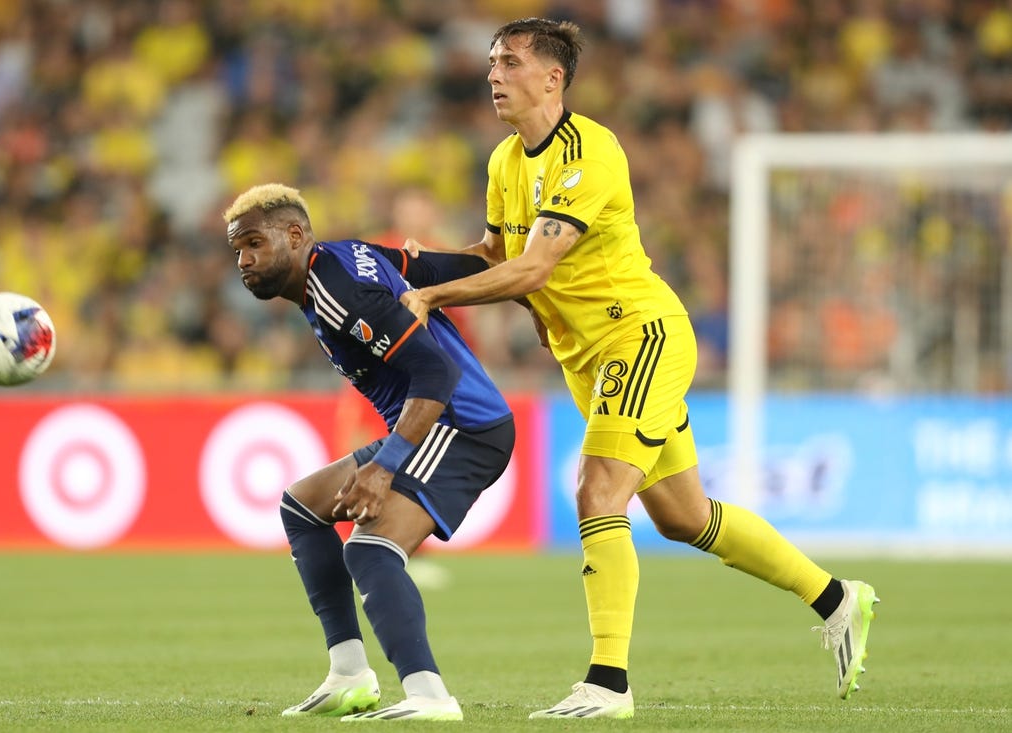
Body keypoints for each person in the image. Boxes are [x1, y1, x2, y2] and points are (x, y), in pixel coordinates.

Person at [400, 17, 879, 720]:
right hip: (587, 359)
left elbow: (533, 267)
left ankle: (607, 681)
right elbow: (498, 253)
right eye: (492, 62)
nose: (493, 74)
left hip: (640, 337)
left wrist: (431, 295)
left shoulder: (590, 151)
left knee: (597, 491)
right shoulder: (506, 161)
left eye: (508, 61)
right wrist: (416, 263)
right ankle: (838, 597)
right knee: (686, 517)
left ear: (552, 77)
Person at [224, 183, 515, 722]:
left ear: (295, 235)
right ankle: (350, 674)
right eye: (237, 250)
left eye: (254, 245)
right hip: (434, 421)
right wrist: (518, 284)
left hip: (461, 424)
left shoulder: (338, 288)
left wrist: (384, 467)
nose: (244, 261)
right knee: (302, 506)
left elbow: (436, 372)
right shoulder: (345, 259)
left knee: (370, 549)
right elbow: (422, 267)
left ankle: (429, 696)